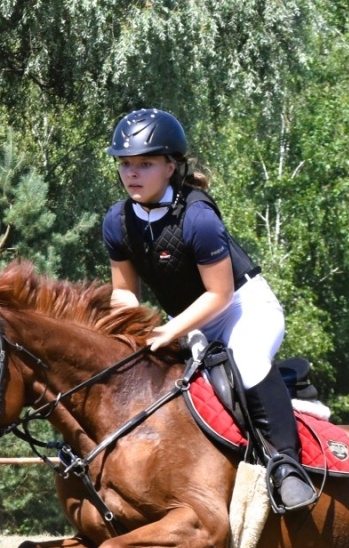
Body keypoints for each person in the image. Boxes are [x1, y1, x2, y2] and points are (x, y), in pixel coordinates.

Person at [102, 108, 314, 512]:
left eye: (145, 163)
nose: (132, 173)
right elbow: (124, 293)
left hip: (242, 308)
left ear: (170, 167)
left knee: (247, 363)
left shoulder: (197, 217)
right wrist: (124, 334)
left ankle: (287, 467)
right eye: (126, 164)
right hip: (188, 320)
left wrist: (167, 332)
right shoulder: (117, 221)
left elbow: (219, 296)